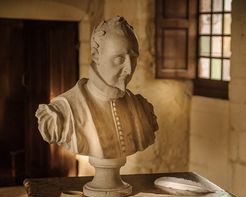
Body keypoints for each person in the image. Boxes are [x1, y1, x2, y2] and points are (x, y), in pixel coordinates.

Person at [35, 16, 158, 160]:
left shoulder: (142, 108)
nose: (129, 69)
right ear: (95, 56)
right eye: (120, 59)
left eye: (133, 58)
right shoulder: (62, 113)